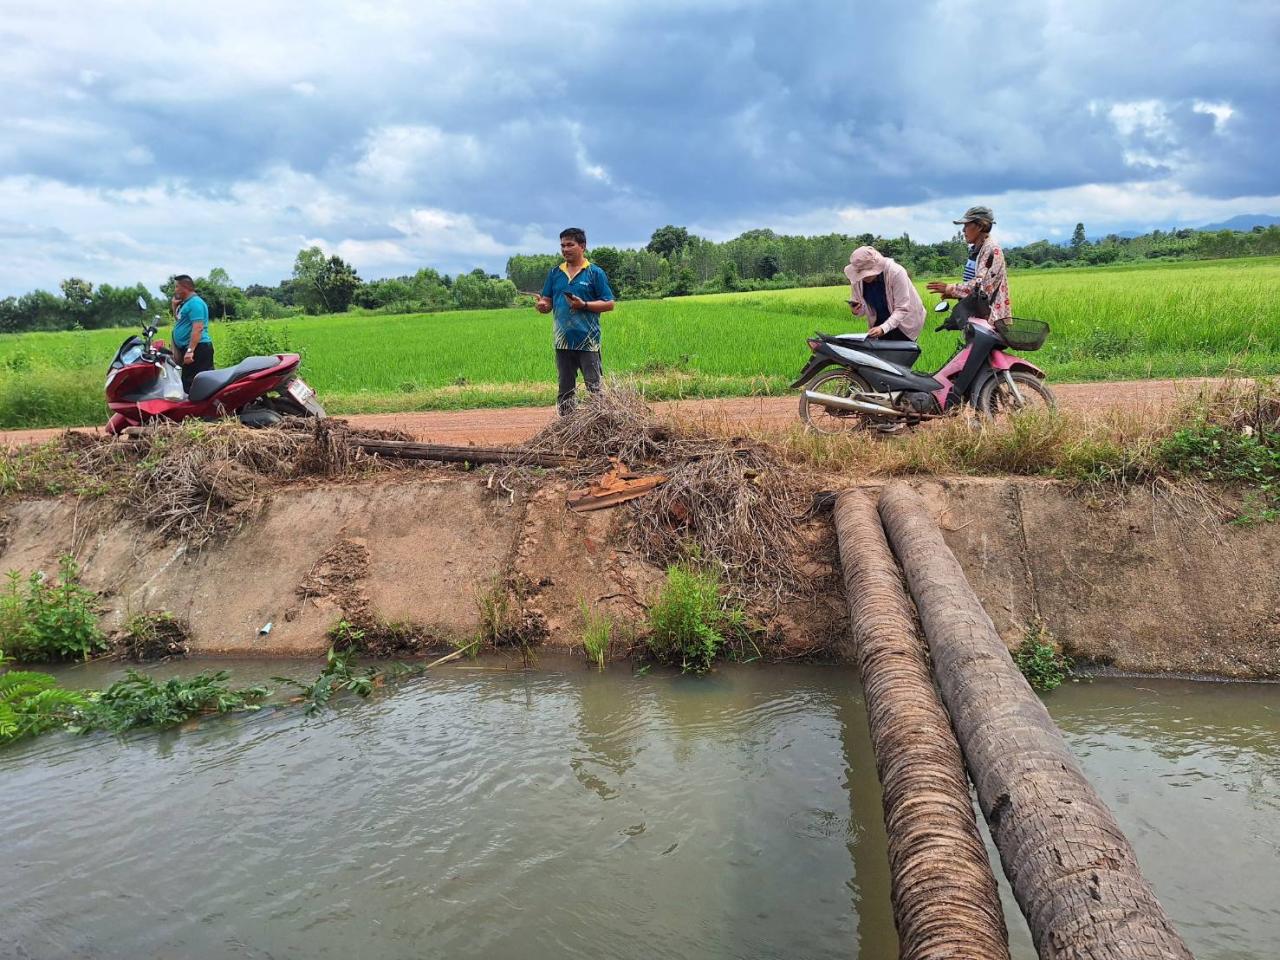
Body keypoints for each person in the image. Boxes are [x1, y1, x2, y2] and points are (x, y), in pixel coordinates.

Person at [926, 206, 1011, 404]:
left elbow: (981, 286)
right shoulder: (977, 250)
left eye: (966, 226)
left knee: (979, 366)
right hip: (979, 317)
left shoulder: (992, 250)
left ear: (980, 226)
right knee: (976, 367)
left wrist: (950, 289)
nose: (963, 230)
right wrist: (955, 295)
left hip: (991, 318)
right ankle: (978, 414)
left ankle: (982, 412)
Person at [535, 227, 615, 415]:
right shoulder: (555, 273)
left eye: (570, 245)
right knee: (565, 390)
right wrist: (543, 306)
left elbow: (609, 303)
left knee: (594, 388)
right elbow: (547, 301)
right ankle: (568, 428)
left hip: (588, 341)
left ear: (582, 246)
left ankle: (601, 424)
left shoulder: (595, 273)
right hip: (562, 342)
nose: (565, 249)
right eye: (562, 246)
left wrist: (584, 305)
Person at [843, 245, 925, 342]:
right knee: (879, 355)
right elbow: (863, 309)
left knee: (901, 354)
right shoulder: (857, 279)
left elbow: (902, 309)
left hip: (905, 322)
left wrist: (883, 328)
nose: (864, 277)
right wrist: (856, 310)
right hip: (879, 323)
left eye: (866, 273)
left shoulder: (896, 272)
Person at [169, 274, 214, 394]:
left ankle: (202, 410)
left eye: (177, 287)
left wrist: (190, 351)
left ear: (185, 287)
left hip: (198, 348)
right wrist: (174, 306)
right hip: (192, 348)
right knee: (190, 382)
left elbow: (198, 328)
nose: (175, 290)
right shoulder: (186, 304)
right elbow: (180, 321)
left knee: (196, 383)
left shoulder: (195, 303)